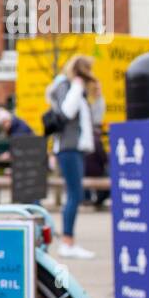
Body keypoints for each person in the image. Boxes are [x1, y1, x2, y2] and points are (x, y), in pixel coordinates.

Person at [46, 54, 105, 259]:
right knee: (74, 194)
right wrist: (78, 86)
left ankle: (69, 241)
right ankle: (67, 242)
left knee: (75, 193)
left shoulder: (76, 90)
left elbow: (96, 119)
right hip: (68, 148)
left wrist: (98, 97)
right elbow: (67, 112)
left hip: (76, 148)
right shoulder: (65, 86)